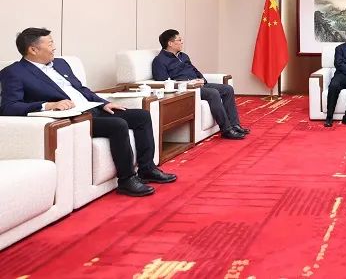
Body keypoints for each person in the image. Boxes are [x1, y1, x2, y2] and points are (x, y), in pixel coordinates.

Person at [0, 27, 176, 197]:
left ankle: (147, 169)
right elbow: (9, 106)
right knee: (118, 124)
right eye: (50, 43)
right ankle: (126, 180)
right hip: (75, 118)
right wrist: (48, 105)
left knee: (141, 116)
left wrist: (104, 103)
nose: (54, 47)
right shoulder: (14, 72)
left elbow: (81, 89)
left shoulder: (60, 64)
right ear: (33, 49)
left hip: (92, 108)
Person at [152, 29, 249, 140]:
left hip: (198, 84)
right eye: (179, 40)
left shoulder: (183, 56)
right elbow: (163, 81)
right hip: (187, 89)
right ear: (170, 43)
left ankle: (235, 125)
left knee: (227, 89)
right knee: (213, 93)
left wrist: (202, 79)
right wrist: (187, 83)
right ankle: (226, 130)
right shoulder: (159, 61)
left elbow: (194, 70)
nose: (182, 42)